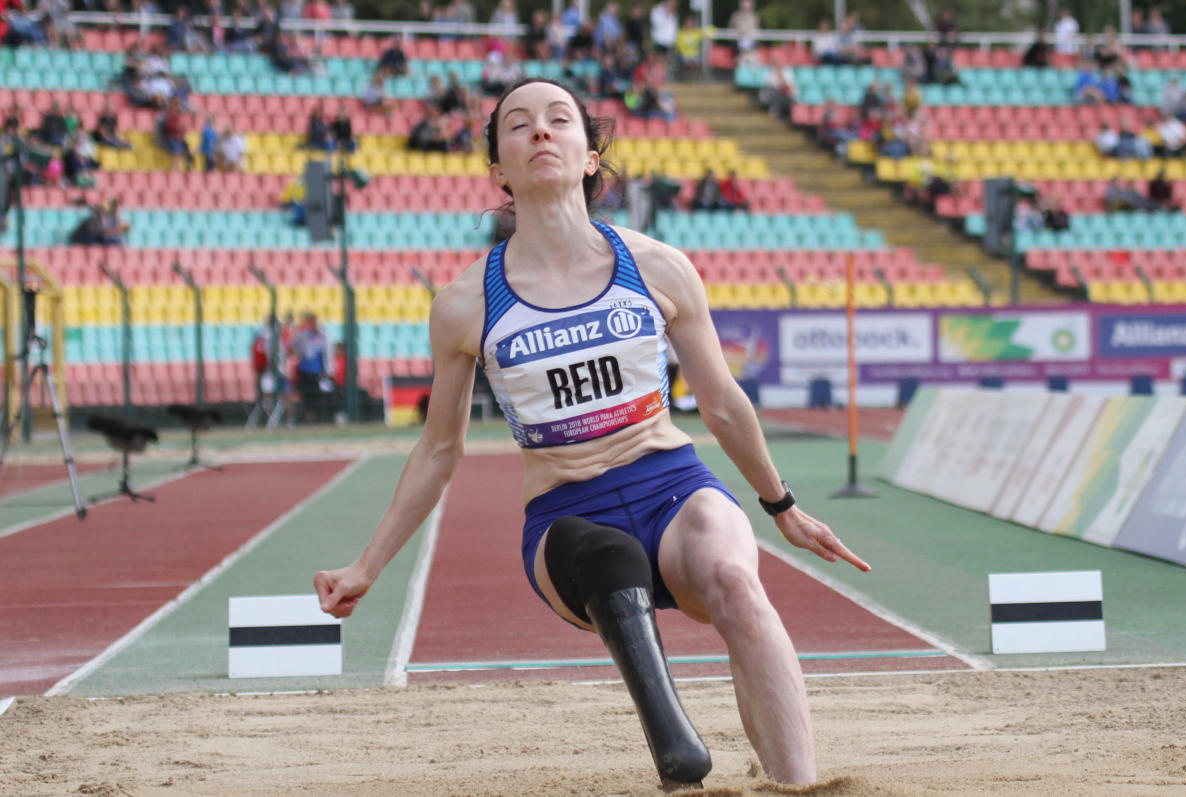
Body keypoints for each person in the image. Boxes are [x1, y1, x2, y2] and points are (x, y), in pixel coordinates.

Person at [312, 78, 870, 789]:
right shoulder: (463, 305)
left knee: (734, 579)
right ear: (498, 173)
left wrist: (781, 505)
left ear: (589, 156)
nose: (540, 132)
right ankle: (677, 748)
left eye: (559, 120)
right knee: (605, 554)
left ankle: (796, 784)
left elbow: (722, 402)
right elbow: (437, 450)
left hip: (673, 488)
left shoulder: (659, 267)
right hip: (566, 521)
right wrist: (368, 565)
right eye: (519, 125)